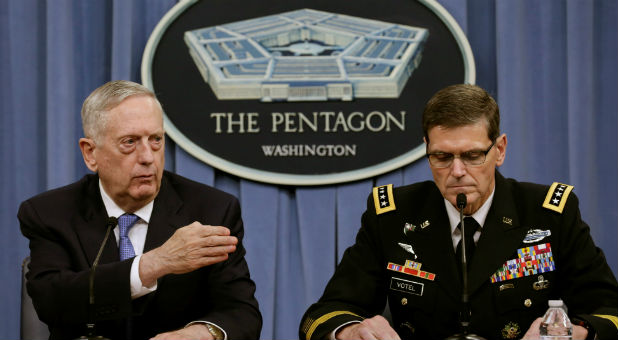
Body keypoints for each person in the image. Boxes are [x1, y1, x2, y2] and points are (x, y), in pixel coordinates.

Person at [299, 84, 618, 340]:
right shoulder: (394, 217)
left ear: (500, 150)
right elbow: (325, 313)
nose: (457, 171)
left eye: (473, 155)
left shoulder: (548, 215)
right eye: (441, 156)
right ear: (426, 151)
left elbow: (609, 310)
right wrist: (351, 331)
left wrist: (570, 334)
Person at [18, 80, 262, 340]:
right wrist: (152, 264)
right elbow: (52, 301)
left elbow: (241, 312)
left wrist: (198, 335)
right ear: (91, 153)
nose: (147, 157)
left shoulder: (211, 210)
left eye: (155, 140)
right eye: (130, 142)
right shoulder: (50, 213)